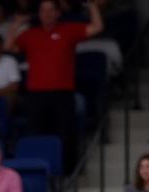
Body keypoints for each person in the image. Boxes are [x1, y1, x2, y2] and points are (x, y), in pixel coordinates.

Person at [8, 0, 104, 174]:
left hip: (62, 93)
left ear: (58, 13)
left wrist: (92, 6)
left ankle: (68, 172)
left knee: (66, 133)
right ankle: (39, 171)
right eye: (43, 10)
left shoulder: (69, 29)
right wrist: (17, 24)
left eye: (51, 10)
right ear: (39, 14)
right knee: (37, 134)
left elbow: (97, 27)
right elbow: (9, 46)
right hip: (36, 94)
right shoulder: (30, 34)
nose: (47, 13)